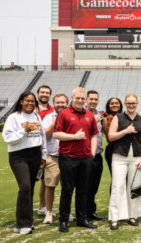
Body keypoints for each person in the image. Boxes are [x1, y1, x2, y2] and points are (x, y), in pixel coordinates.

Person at [53, 87, 99, 232]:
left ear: (85, 99)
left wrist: (92, 153)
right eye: (77, 98)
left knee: (83, 190)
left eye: (82, 98)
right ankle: (64, 220)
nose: (80, 100)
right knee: (67, 190)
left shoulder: (89, 115)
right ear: (72, 98)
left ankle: (82, 218)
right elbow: (56, 134)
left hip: (85, 158)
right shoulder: (64, 114)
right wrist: (74, 137)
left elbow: (93, 135)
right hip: (68, 158)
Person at [2, 90, 47, 235]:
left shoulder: (36, 116)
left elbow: (42, 136)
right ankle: (22, 224)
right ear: (21, 101)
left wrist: (44, 156)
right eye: (27, 100)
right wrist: (24, 131)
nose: (30, 103)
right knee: (25, 187)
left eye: (32, 101)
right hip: (18, 155)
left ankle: (27, 221)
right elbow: (7, 138)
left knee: (31, 188)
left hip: (35, 154)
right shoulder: (13, 117)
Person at [108, 94, 141, 230]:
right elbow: (111, 135)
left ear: (137, 103)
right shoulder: (118, 117)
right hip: (119, 156)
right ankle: (115, 217)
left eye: (133, 103)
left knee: (135, 187)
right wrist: (126, 131)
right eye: (129, 103)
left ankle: (133, 216)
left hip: (136, 157)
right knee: (117, 186)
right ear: (125, 104)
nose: (131, 105)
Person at [42, 93, 69, 224]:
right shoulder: (48, 117)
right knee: (50, 185)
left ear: (67, 103)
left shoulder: (71, 115)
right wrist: (53, 124)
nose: (60, 105)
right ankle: (49, 213)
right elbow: (44, 137)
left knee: (67, 187)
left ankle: (66, 212)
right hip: (53, 156)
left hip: (69, 156)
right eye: (58, 102)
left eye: (63, 102)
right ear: (54, 103)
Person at [86, 90, 106, 221]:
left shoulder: (100, 115)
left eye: (95, 99)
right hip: (85, 156)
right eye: (91, 99)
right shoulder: (82, 114)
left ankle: (91, 211)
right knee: (84, 187)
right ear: (86, 100)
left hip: (98, 155)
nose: (93, 101)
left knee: (94, 186)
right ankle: (82, 214)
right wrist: (93, 120)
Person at [35, 85, 54, 216]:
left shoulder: (52, 110)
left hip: (45, 149)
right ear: (38, 94)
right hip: (32, 147)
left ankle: (43, 206)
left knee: (44, 180)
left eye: (47, 93)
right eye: (42, 92)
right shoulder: (31, 108)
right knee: (32, 181)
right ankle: (40, 206)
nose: (45, 95)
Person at [102, 97, 123, 176]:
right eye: (112, 103)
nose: (114, 105)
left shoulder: (125, 117)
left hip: (124, 149)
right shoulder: (106, 119)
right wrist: (109, 125)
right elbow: (109, 139)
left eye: (117, 103)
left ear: (120, 106)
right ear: (109, 106)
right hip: (112, 150)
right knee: (115, 177)